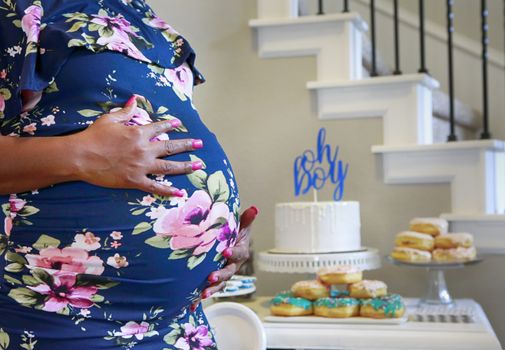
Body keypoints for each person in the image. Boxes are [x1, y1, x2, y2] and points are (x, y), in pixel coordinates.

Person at [0, 0, 257, 348]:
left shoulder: (133, 9)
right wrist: (80, 155)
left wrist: (217, 236)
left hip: (177, 328)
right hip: (59, 323)